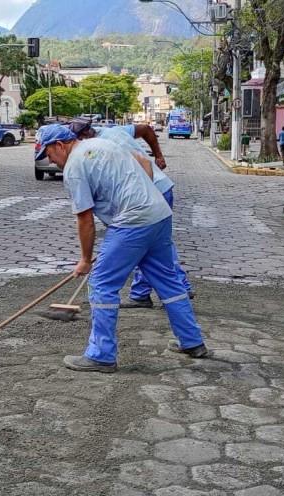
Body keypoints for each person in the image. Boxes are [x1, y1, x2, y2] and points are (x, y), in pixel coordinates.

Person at [34, 124, 209, 373]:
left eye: (49, 155)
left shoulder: (74, 167)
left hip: (133, 222)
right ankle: (192, 341)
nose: (50, 161)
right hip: (158, 213)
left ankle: (101, 355)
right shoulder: (102, 143)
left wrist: (85, 259)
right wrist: (141, 195)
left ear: (60, 145)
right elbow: (144, 161)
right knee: (168, 282)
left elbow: (84, 218)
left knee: (102, 283)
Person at [66, 117, 190, 307]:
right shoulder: (113, 131)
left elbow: (141, 160)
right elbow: (146, 129)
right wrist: (158, 155)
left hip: (147, 191)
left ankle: (178, 285)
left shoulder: (96, 147)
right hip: (160, 188)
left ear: (83, 136)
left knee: (149, 243)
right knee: (154, 243)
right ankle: (144, 292)